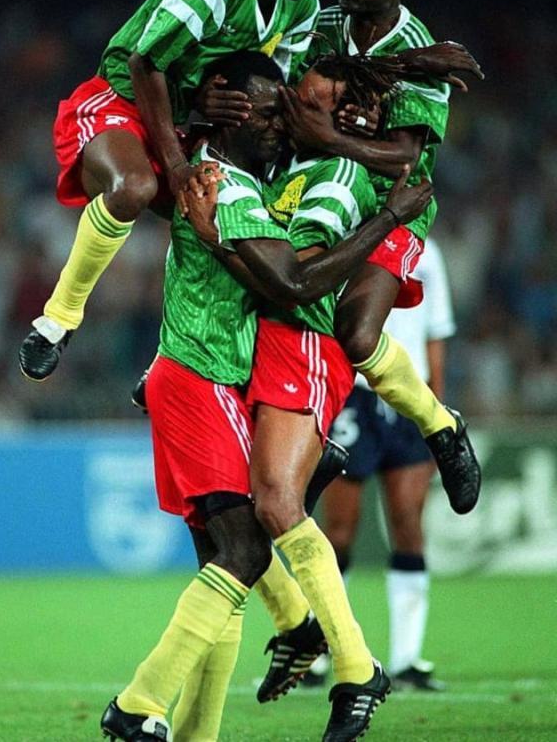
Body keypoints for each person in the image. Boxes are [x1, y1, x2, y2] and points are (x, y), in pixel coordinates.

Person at [101, 51, 431, 742]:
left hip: (194, 379)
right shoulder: (232, 186)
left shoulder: (226, 176)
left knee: (226, 558)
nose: (282, 125)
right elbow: (295, 285)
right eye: (271, 112)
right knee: (247, 549)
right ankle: (140, 704)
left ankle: (196, 727)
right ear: (234, 114)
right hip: (202, 380)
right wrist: (389, 216)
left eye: (289, 112)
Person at [18, 0, 332, 382]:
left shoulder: (303, 7)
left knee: (225, 221)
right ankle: (58, 320)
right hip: (122, 98)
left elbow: (266, 83)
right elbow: (145, 63)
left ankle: (181, 365)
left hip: (189, 118)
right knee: (136, 186)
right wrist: (180, 164)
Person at [271, 0, 482, 517]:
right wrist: (335, 130)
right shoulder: (325, 21)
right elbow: (296, 97)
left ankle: (441, 427)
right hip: (319, 183)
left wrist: (329, 135)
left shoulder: (419, 45)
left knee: (356, 335)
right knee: (271, 290)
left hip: (398, 206)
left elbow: (406, 159)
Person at [306, 237, 455, 691]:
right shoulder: (352, 237)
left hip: (412, 397)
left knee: (409, 522)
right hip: (354, 394)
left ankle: (408, 658)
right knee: (339, 530)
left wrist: (438, 421)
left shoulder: (430, 252)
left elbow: (436, 332)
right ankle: (316, 654)